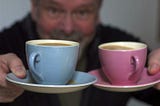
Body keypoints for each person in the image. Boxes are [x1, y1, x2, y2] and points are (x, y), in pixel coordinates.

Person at [0, 0, 160, 106]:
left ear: (97, 15)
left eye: (82, 12)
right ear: (35, 8)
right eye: (53, 10)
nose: (68, 28)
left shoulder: (121, 47)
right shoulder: (4, 45)